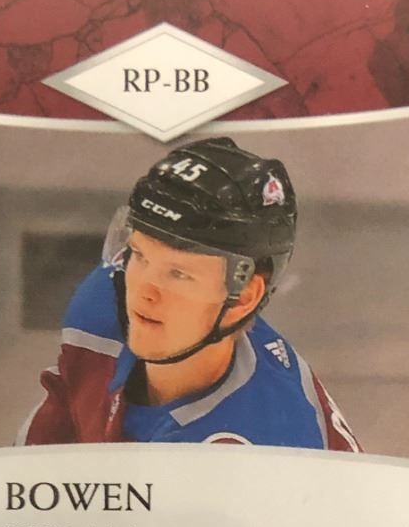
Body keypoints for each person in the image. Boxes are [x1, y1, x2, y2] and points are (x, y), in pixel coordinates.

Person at [18, 137, 360, 449]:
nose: (144, 291)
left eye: (179, 274)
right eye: (139, 255)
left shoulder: (260, 449)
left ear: (243, 297)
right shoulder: (104, 304)